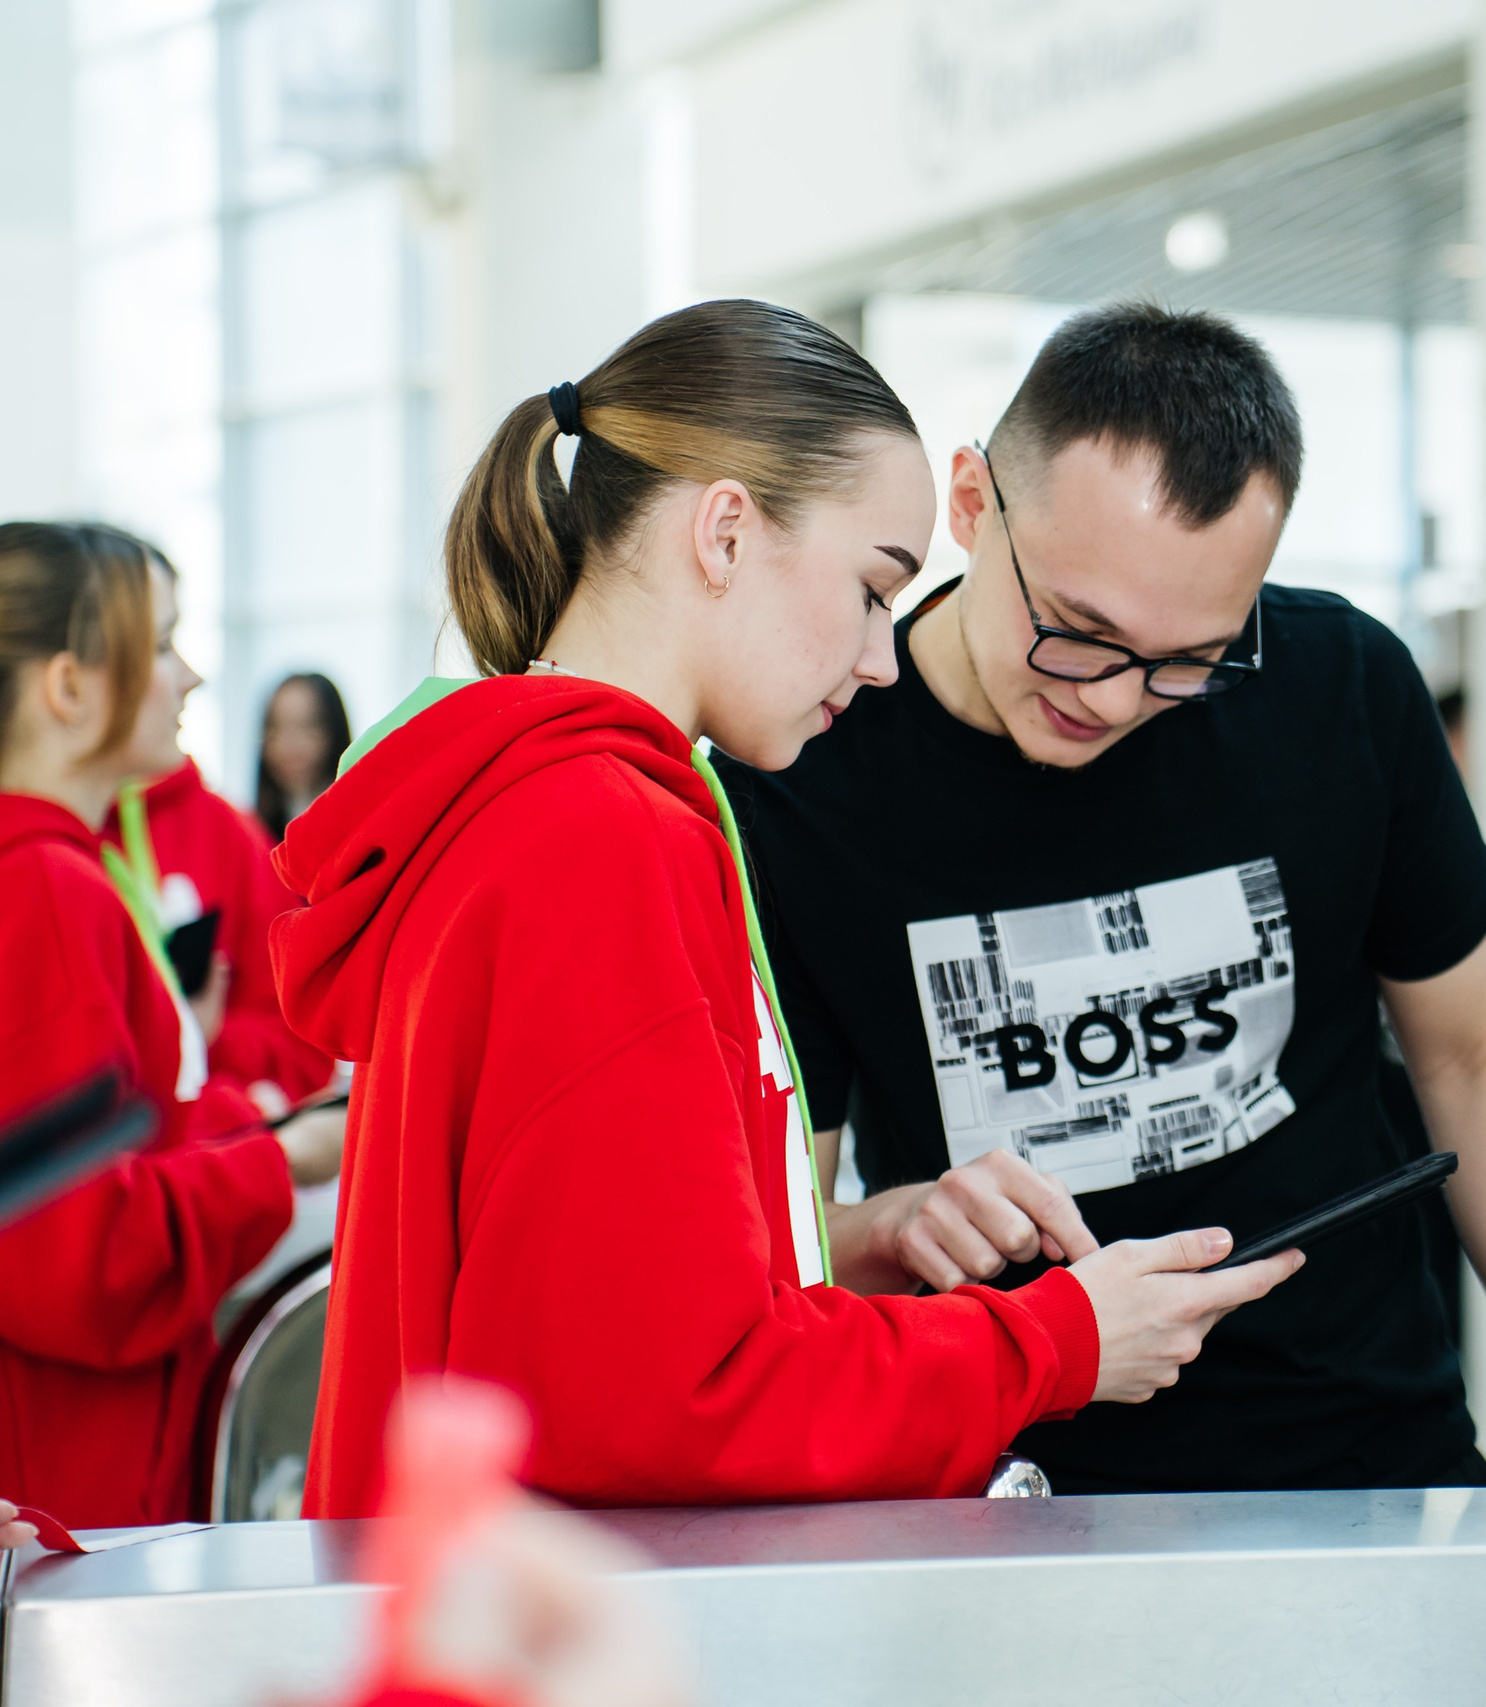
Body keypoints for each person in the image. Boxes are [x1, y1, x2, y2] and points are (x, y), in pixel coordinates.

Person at [272, 299, 1298, 1519]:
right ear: (723, 533)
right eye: (873, 591)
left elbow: (596, 1308)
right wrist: (1059, 1339)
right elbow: (668, 1401)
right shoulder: (596, 837)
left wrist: (861, 1239)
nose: (880, 659)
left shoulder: (554, 806)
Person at [718, 302, 1486, 1497]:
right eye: (1079, 633)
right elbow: (776, 1246)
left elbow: (1475, 1060)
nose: (1114, 695)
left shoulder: (1338, 688)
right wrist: (892, 1224)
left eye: (1190, 657)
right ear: (974, 506)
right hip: (1010, 1484)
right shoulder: (804, 779)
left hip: (1363, 1456)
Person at [0, 521, 344, 1528]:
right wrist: (289, 1163)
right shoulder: (48, 894)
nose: (188, 677)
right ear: (69, 687)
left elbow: (98, 1156)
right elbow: (78, 1252)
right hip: (69, 1474)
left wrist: (256, 1127)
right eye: (159, 645)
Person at [101, 671, 341, 1114]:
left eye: (309, 728)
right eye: (160, 644)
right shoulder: (53, 855)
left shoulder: (232, 834)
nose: (191, 677)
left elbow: (304, 1032)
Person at [257, 671, 351, 841]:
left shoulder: (359, 825)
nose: (290, 746)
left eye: (308, 728)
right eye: (276, 728)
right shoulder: (253, 831)